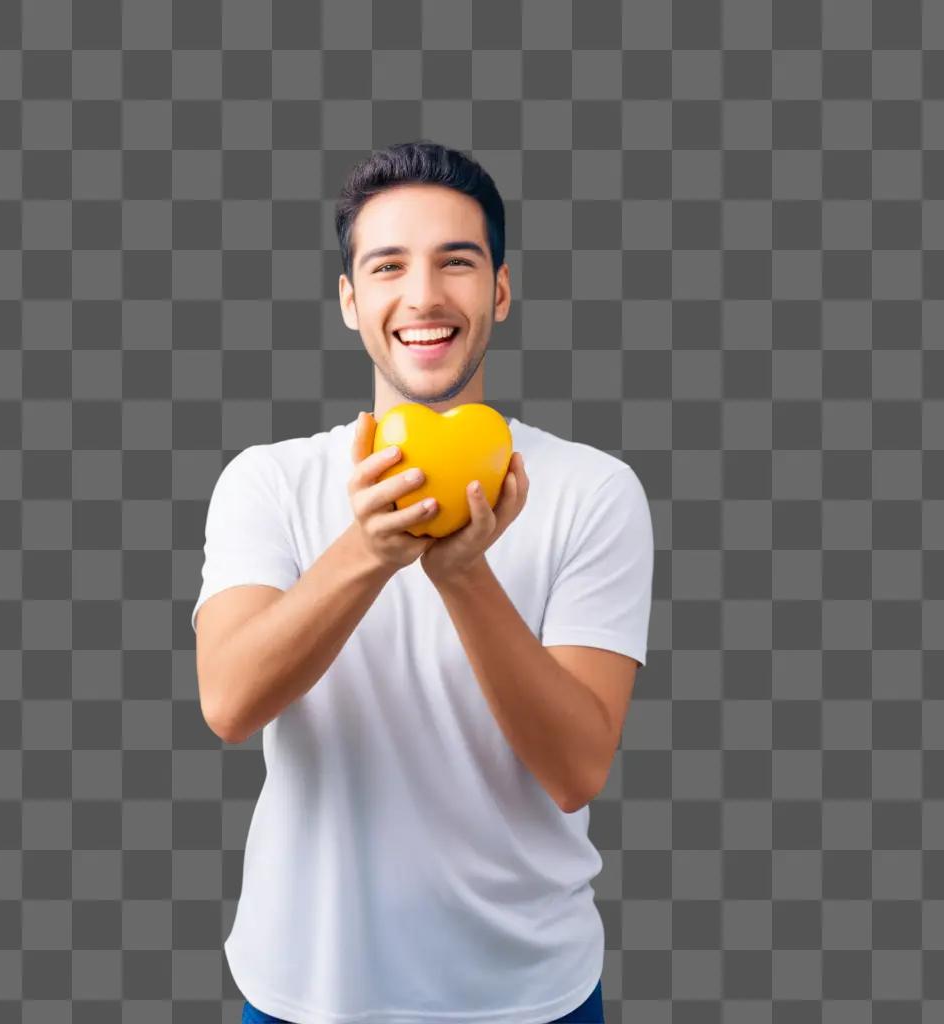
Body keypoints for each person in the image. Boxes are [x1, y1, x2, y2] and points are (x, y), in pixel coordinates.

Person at [192, 140, 653, 1024]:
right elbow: (229, 702)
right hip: (307, 993)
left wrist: (464, 577)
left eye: (458, 263)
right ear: (350, 301)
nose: (425, 296)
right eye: (388, 265)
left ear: (502, 291)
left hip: (530, 998)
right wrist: (369, 551)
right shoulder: (268, 481)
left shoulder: (594, 491)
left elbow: (576, 769)